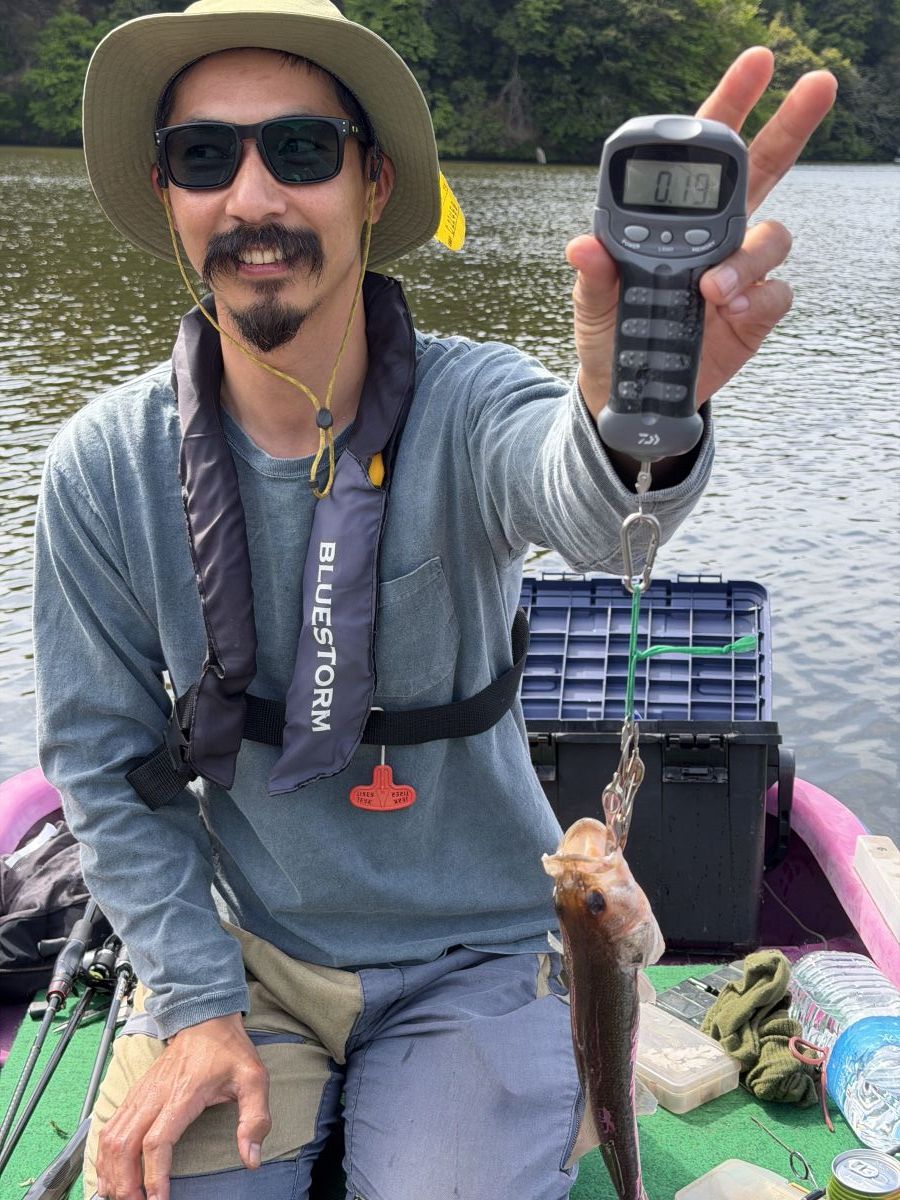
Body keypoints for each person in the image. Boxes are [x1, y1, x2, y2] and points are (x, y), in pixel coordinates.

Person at [32, 1, 836, 1197]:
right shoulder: (101, 467)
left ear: (373, 182)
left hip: (477, 953)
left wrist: (639, 422)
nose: (253, 196)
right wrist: (194, 1000)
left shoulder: (472, 405)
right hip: (247, 950)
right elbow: (101, 766)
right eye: (205, 156)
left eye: (300, 149)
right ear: (167, 194)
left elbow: (577, 495)